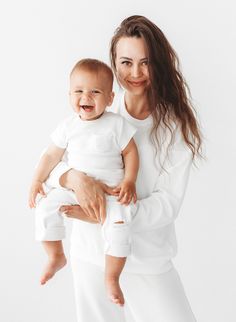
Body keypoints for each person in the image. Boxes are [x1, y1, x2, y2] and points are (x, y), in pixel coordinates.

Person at [46, 15, 202, 322]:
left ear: (159, 63)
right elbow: (49, 166)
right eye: (126, 62)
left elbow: (166, 205)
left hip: (148, 259)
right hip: (91, 255)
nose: (135, 73)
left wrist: (104, 212)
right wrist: (72, 178)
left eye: (145, 62)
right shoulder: (95, 108)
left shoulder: (174, 128)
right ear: (114, 64)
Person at [28, 58, 139, 306]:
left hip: (111, 194)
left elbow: (131, 153)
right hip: (73, 191)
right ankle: (55, 255)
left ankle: (112, 277)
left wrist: (130, 180)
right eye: (78, 91)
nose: (85, 97)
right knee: (45, 206)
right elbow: (50, 156)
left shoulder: (116, 124)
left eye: (95, 92)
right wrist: (37, 180)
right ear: (69, 95)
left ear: (110, 98)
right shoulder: (68, 126)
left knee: (119, 226)